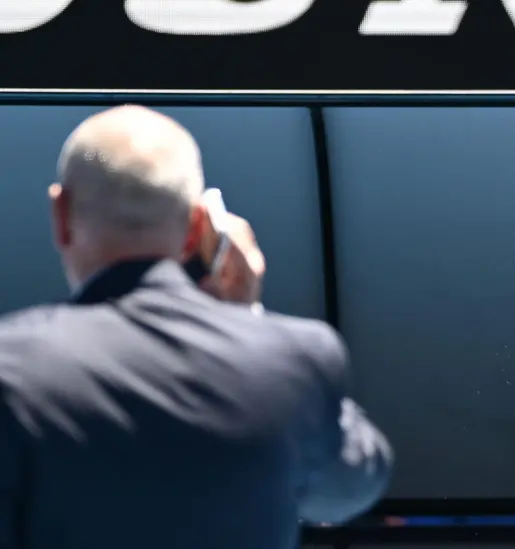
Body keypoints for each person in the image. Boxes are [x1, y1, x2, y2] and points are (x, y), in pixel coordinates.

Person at [0, 105, 392, 549]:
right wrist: (246, 317)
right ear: (197, 228)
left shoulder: (13, 368)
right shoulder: (293, 359)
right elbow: (351, 489)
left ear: (61, 215)